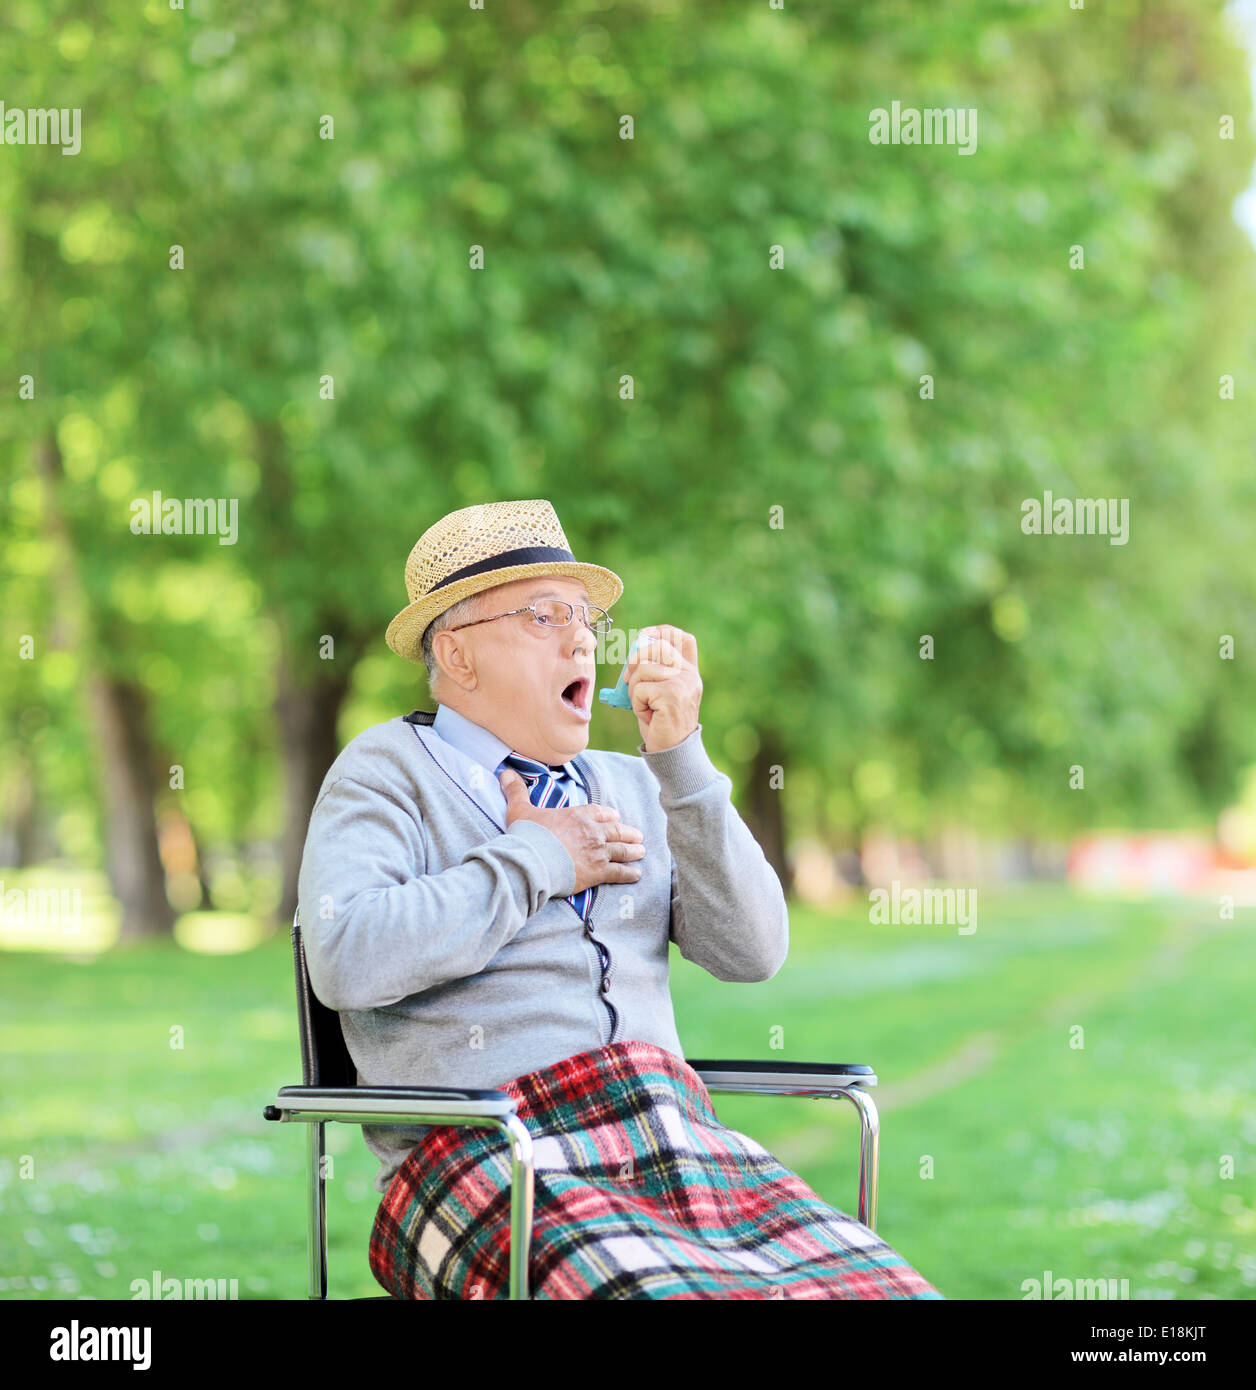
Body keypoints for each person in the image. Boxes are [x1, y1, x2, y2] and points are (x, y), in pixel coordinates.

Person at [297, 498, 942, 1300]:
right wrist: (541, 855)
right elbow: (345, 956)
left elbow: (754, 950)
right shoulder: (384, 771)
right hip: (485, 1154)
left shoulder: (637, 783)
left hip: (674, 1134)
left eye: (586, 617)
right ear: (458, 654)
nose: (583, 639)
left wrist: (681, 760)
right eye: (544, 615)